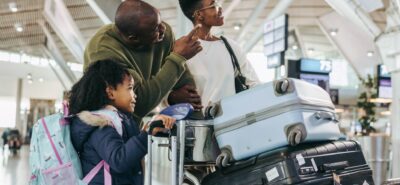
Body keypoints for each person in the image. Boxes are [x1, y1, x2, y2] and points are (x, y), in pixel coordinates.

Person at [84, 0, 203, 123]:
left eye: (160, 21)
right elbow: (138, 105)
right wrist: (177, 58)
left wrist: (200, 124)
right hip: (107, 126)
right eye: (155, 29)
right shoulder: (103, 52)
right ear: (133, 38)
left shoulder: (162, 34)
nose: (163, 28)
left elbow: (184, 84)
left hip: (133, 127)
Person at [69, 59, 176, 185]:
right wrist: (146, 133)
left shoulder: (119, 120)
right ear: (110, 92)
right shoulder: (100, 125)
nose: (134, 95)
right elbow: (118, 159)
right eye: (130, 88)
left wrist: (152, 130)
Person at [176, 0, 260, 115]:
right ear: (199, 14)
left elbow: (254, 84)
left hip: (231, 122)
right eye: (214, 5)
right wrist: (172, 96)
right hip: (198, 125)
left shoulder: (230, 47)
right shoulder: (181, 49)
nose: (220, 8)